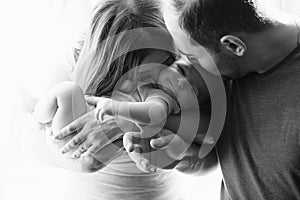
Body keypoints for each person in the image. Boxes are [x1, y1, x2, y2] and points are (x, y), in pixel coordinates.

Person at [28, 0, 210, 199]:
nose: (149, 81)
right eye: (137, 74)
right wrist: (83, 165)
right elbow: (31, 142)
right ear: (110, 66)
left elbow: (206, 157)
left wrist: (126, 121)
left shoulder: (183, 81)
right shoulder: (72, 66)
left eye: (164, 63)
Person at [133, 0, 300, 199]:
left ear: (233, 45)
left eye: (192, 56)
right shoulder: (227, 73)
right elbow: (233, 162)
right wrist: (181, 155)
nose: (185, 65)